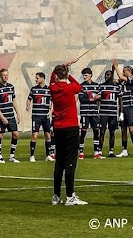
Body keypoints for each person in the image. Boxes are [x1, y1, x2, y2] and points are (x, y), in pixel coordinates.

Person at [50, 61, 87, 206]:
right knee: (71, 162)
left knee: (59, 162)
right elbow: (79, 86)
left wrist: (63, 66)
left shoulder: (53, 88)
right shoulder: (71, 87)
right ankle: (70, 196)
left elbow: (53, 77)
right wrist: (68, 73)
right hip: (71, 127)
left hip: (58, 128)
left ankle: (56, 196)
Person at [0, 68, 21, 163]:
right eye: (4, 75)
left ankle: (12, 156)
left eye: (7, 75)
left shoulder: (11, 87)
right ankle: (0, 156)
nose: (6, 77)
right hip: (1, 116)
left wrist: (18, 113)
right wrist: (2, 117)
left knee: (16, 134)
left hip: (11, 115)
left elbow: (13, 100)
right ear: (0, 76)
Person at [27, 71, 55, 163]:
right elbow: (29, 99)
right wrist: (28, 105)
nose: (35, 79)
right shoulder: (34, 89)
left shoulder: (49, 90)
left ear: (42, 79)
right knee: (35, 135)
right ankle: (32, 156)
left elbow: (52, 102)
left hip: (45, 116)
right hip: (36, 116)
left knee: (48, 135)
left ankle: (48, 155)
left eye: (37, 78)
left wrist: (50, 111)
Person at [115, 63, 133, 157]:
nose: (123, 71)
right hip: (122, 107)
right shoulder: (121, 82)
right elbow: (113, 80)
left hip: (129, 107)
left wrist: (116, 66)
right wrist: (113, 69)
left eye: (125, 70)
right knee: (123, 129)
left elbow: (121, 77)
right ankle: (124, 150)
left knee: (131, 128)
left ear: (130, 72)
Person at [97, 64, 122, 158]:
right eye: (106, 75)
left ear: (112, 76)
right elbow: (98, 98)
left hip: (112, 113)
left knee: (112, 132)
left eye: (108, 75)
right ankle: (99, 151)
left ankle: (111, 151)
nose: (107, 76)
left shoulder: (116, 87)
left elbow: (120, 99)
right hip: (103, 113)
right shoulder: (101, 86)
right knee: (102, 131)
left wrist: (121, 113)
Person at [78, 67, 102, 159]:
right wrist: (92, 99)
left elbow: (100, 96)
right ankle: (81, 152)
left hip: (94, 112)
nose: (84, 77)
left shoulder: (96, 86)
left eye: (86, 75)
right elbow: (81, 99)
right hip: (85, 112)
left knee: (96, 130)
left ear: (91, 75)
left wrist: (97, 97)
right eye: (83, 75)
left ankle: (96, 152)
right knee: (83, 131)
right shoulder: (81, 86)